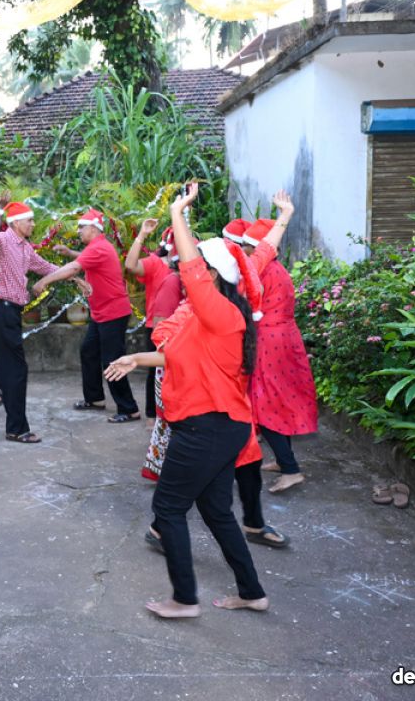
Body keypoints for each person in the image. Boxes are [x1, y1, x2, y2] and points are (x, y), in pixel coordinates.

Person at [105, 184, 269, 618]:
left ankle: (183, 599)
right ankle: (252, 592)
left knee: (168, 508)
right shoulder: (207, 317)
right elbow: (177, 354)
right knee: (216, 511)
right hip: (218, 427)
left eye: (191, 267)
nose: (181, 270)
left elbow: (193, 269)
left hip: (205, 427)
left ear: (211, 276)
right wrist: (136, 358)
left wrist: (178, 212)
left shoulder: (219, 312)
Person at [0, 201, 66, 444]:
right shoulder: (4, 241)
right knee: (16, 371)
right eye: (30, 220)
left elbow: (46, 267)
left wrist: (74, 274)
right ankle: (16, 429)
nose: (33, 224)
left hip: (8, 314)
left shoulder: (25, 248)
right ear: (16, 223)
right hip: (4, 313)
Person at [240, 194, 318, 493]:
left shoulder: (258, 270)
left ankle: (290, 469)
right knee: (278, 398)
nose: (243, 251)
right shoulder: (277, 269)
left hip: (269, 341)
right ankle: (283, 459)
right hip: (284, 338)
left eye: (246, 246)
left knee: (265, 403)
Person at [35, 209, 140, 423]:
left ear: (93, 228)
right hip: (102, 313)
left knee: (113, 361)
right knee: (88, 351)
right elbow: (83, 260)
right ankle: (95, 399)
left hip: (112, 313)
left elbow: (75, 268)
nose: (79, 231)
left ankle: (129, 409)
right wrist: (69, 252)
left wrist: (45, 280)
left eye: (82, 227)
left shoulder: (99, 247)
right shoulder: (97, 247)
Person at [124, 219, 182, 424]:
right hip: (157, 327)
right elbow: (130, 265)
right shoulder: (156, 263)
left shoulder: (191, 263)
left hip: (184, 327)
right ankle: (152, 414)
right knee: (156, 372)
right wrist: (142, 234)